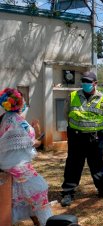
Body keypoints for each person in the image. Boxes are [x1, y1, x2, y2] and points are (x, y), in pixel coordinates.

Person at [60, 71, 103, 207]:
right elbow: (66, 113)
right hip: (76, 136)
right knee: (73, 164)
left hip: (96, 137)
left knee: (98, 164)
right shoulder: (73, 96)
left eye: (88, 81)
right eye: (83, 81)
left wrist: (97, 128)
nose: (85, 83)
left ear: (95, 83)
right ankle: (68, 193)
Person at [0, 88, 53, 226]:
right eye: (23, 101)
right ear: (19, 104)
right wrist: (37, 129)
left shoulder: (3, 119)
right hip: (18, 166)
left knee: (15, 196)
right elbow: (34, 142)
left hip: (5, 166)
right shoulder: (21, 123)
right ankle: (46, 222)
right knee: (39, 190)